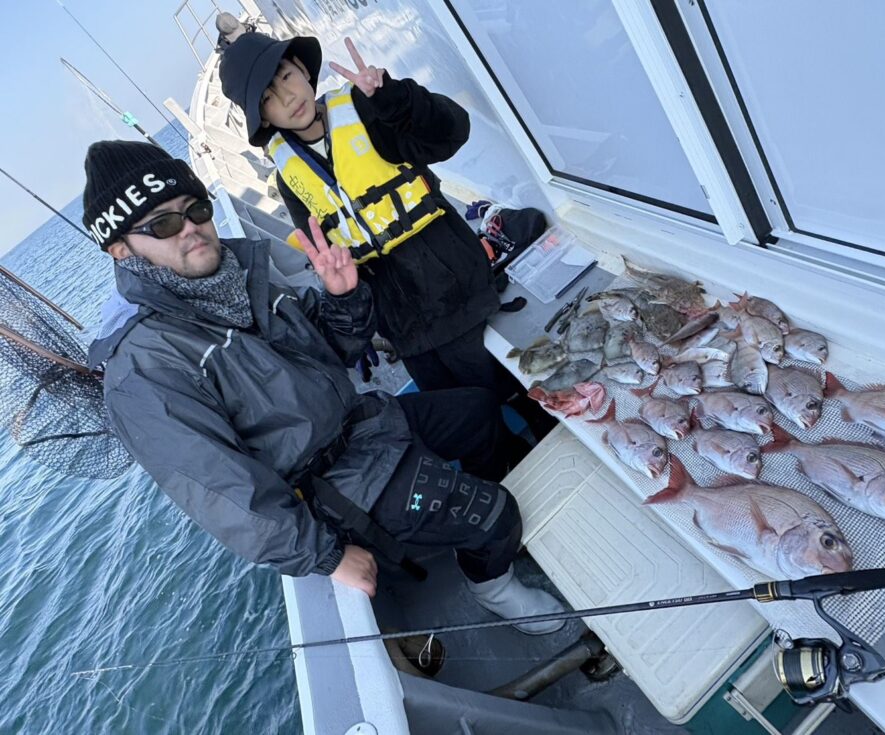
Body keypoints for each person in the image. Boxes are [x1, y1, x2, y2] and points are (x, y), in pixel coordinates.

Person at [84, 140, 564, 634]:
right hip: (332, 489)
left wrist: (345, 296)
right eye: (163, 224)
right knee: (497, 514)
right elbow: (223, 492)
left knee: (480, 413)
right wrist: (327, 556)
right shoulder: (140, 368)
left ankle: (477, 530)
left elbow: (331, 352)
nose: (191, 229)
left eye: (197, 209)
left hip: (365, 425)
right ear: (121, 249)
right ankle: (493, 584)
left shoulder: (237, 276)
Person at [217, 32, 556, 444]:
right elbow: (330, 252)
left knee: (520, 394)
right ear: (263, 118)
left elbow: (451, 133)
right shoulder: (289, 177)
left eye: (286, 75)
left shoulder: (366, 107)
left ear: (304, 70)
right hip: (403, 327)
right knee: (466, 422)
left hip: (460, 296)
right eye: (269, 97)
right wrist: (360, 323)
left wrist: (394, 98)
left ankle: (550, 433)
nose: (288, 97)